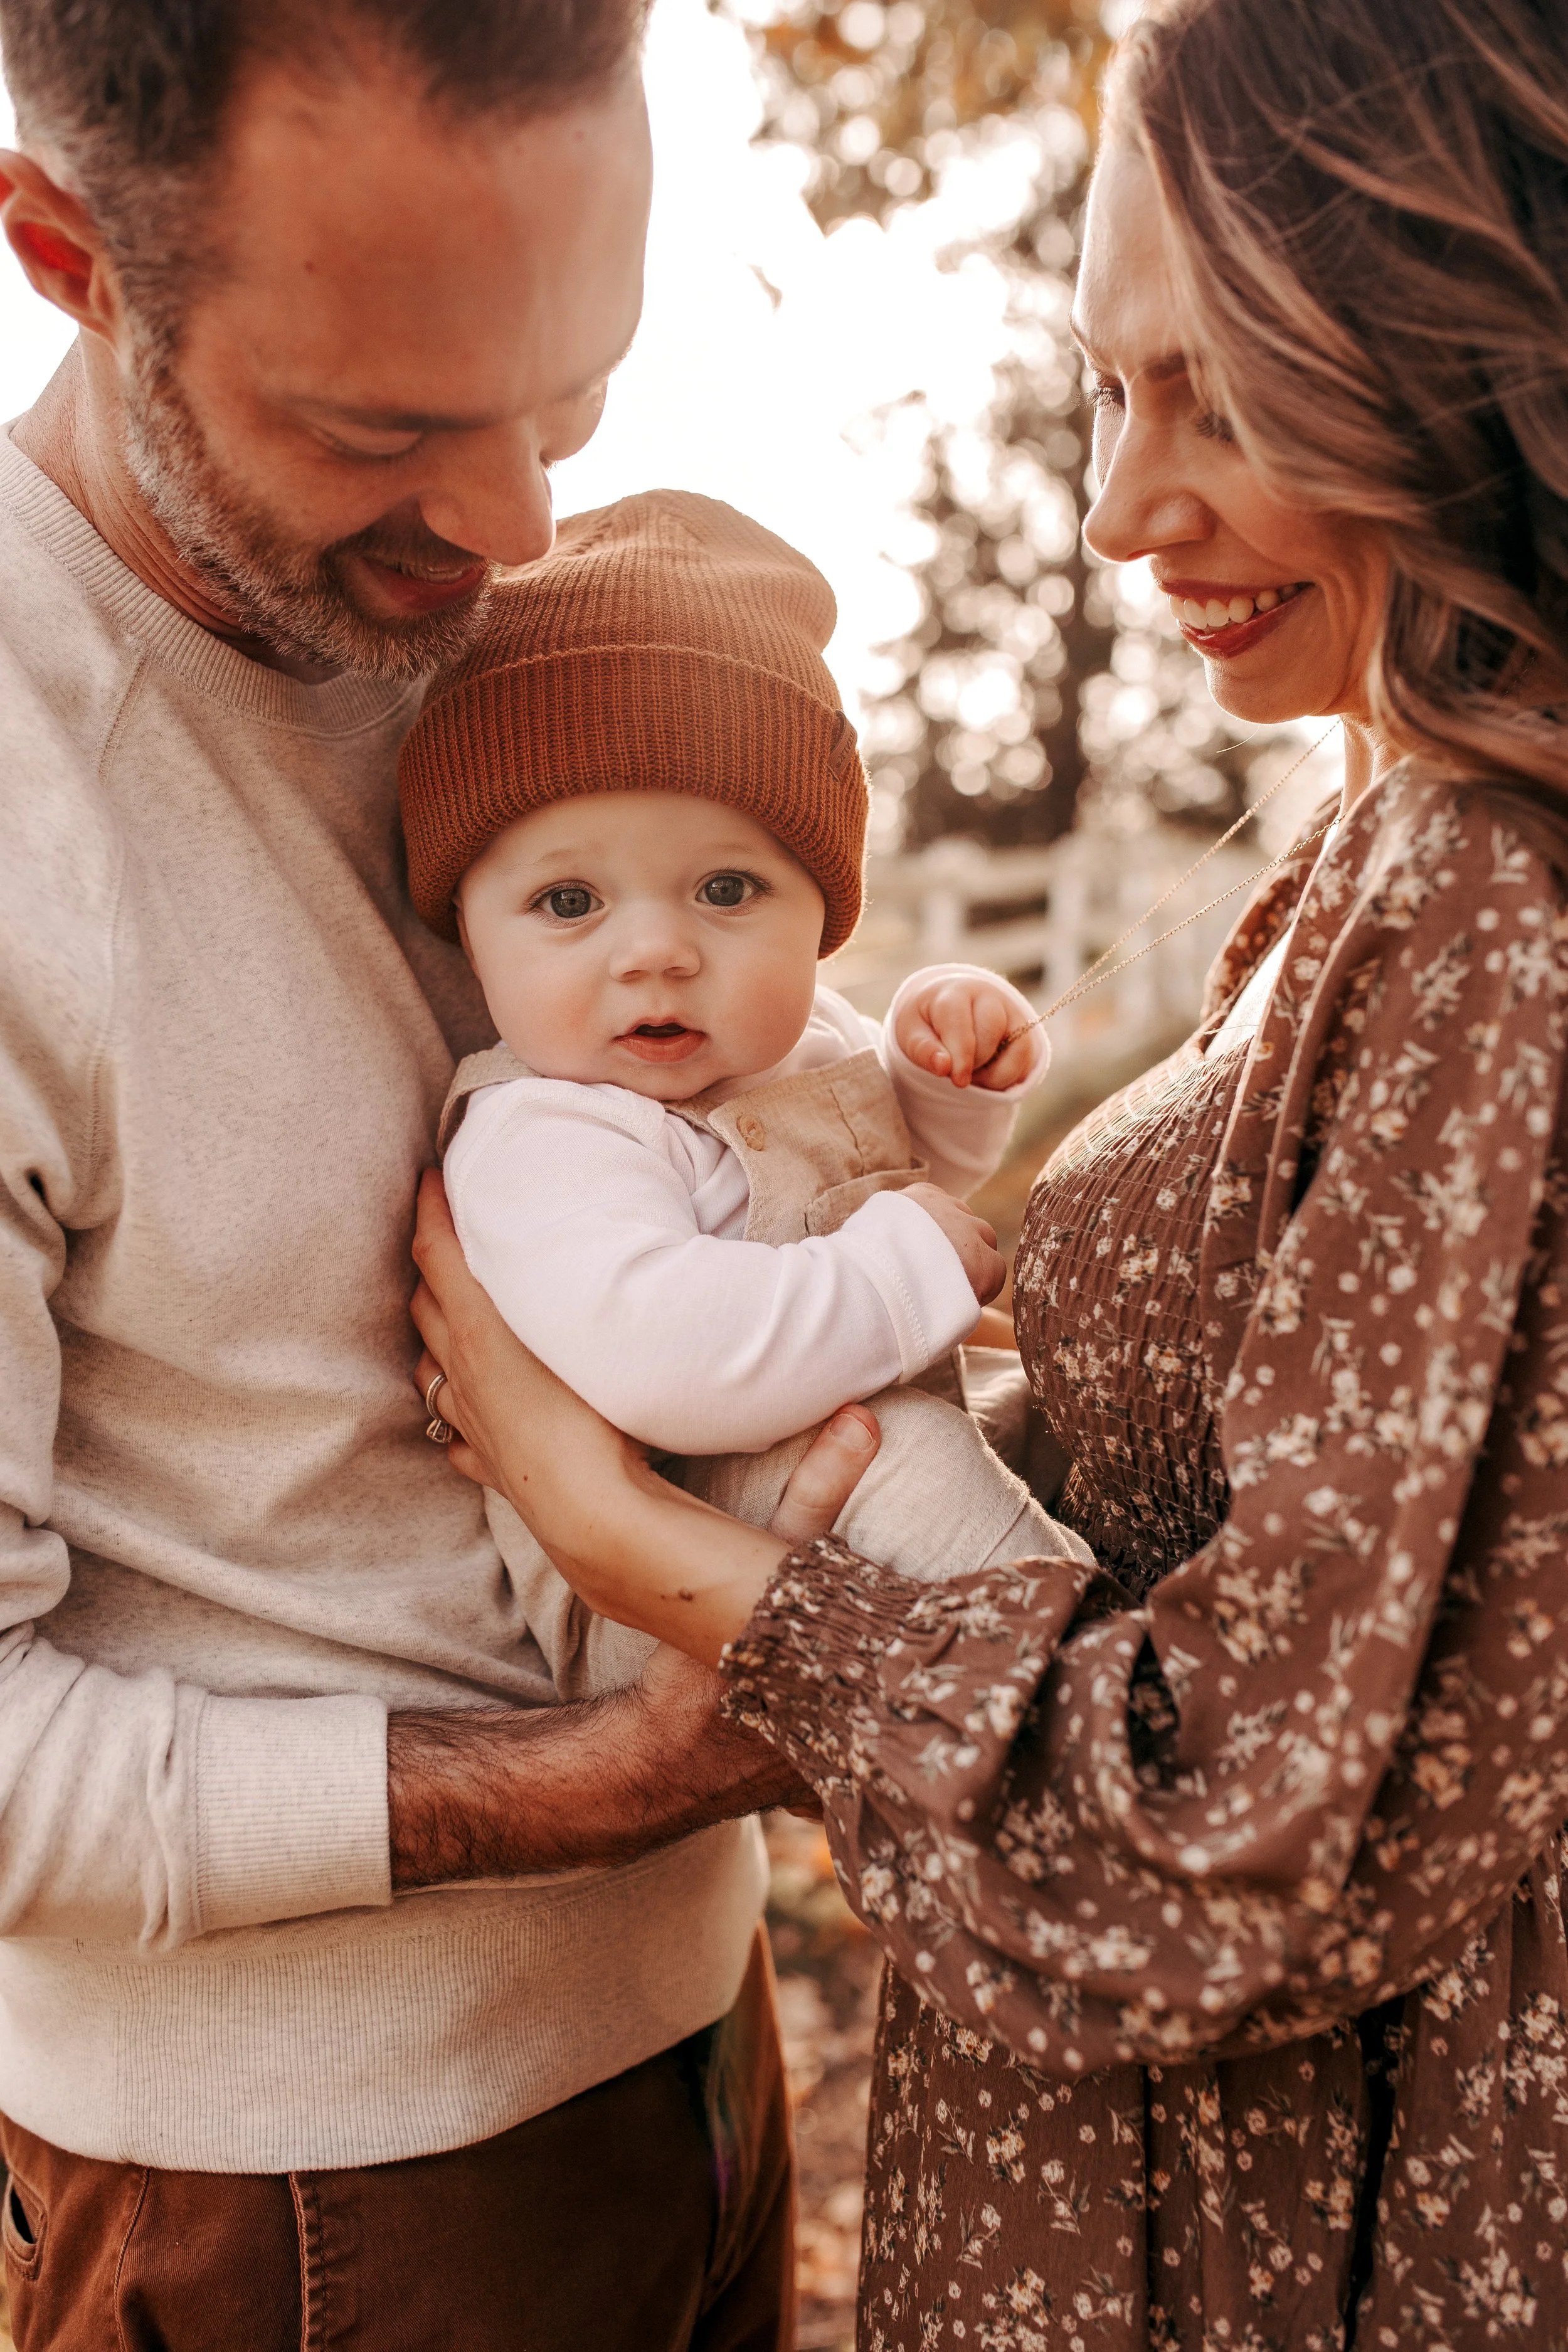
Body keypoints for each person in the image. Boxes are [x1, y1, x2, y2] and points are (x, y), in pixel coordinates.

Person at [408, 0, 1568, 2343]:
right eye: (1108, 385)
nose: (1124, 506)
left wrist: (650, 1545)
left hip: (1256, 2224)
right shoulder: (1388, 854)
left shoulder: (1491, 925)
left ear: (1462, 361)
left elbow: (1237, 1842)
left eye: (1217, 395)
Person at [0, 2, 871, 2343]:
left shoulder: (507, 624)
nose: (512, 529)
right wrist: (611, 1774)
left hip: (691, 2044)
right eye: (386, 427)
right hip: (320, 2196)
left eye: (567, 393)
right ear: (69, 254)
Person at [398, 485, 1088, 1688]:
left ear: (825, 913)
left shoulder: (794, 1042)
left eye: (727, 890)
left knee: (1055, 1410)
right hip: (653, 1563)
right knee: (919, 1459)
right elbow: (668, 1355)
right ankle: (1085, 1693)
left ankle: (1109, 1595)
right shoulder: (541, 1133)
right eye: (571, 903)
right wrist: (902, 1270)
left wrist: (940, 1083)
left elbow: (894, 1182)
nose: (656, 951)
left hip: (827, 1457)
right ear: (469, 930)